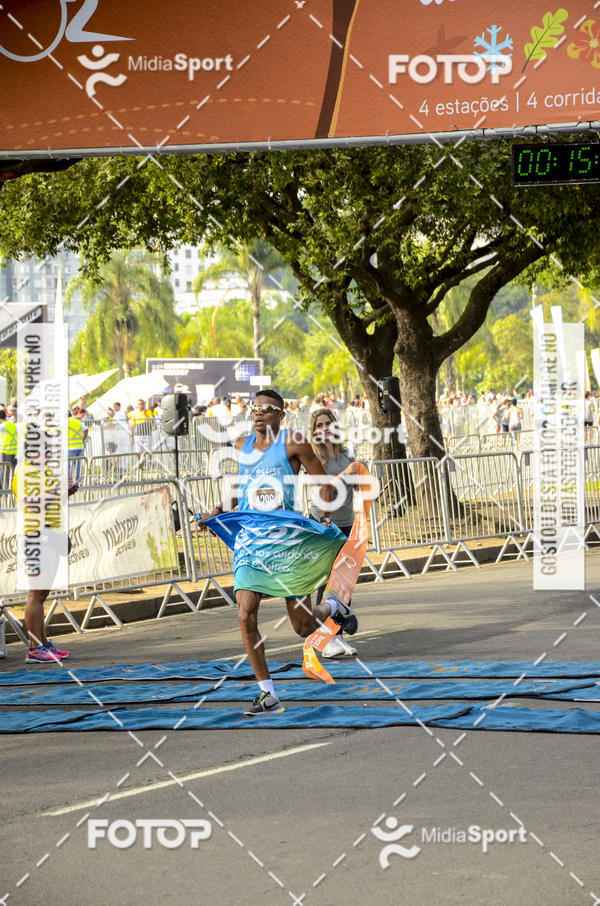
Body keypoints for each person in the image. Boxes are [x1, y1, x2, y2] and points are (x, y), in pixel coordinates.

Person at [198, 389, 358, 715]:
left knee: (301, 625)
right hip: (250, 544)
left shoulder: (293, 442)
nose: (258, 412)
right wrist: (215, 510)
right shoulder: (242, 445)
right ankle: (267, 693)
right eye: (254, 407)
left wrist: (322, 512)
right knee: (245, 614)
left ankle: (332, 607)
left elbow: (324, 483)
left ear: (280, 414)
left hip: (286, 544)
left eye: (267, 408)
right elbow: (237, 491)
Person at [13, 420, 79, 662]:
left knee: (42, 595)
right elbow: (31, 502)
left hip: (49, 534)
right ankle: (34, 647)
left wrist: (66, 491)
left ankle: (43, 642)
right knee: (35, 594)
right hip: (35, 536)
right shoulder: (25, 471)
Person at [309, 407, 359, 658]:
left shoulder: (345, 455)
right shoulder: (315, 458)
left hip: (347, 522)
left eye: (328, 423)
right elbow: (325, 487)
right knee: (328, 580)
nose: (324, 428)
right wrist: (346, 474)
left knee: (344, 582)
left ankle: (337, 634)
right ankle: (323, 638)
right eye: (319, 425)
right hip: (323, 524)